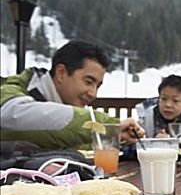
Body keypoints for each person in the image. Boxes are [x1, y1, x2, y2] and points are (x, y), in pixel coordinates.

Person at [0, 40, 144, 155]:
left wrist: (120, 138)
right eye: (88, 82)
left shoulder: (66, 112)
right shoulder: (10, 92)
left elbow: (78, 141)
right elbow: (14, 118)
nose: (93, 93)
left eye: (97, 86)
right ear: (61, 73)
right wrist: (108, 125)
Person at [135, 74, 181, 144]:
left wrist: (170, 143)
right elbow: (134, 144)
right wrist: (153, 142)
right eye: (163, 99)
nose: (168, 105)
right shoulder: (147, 117)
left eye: (175, 101)